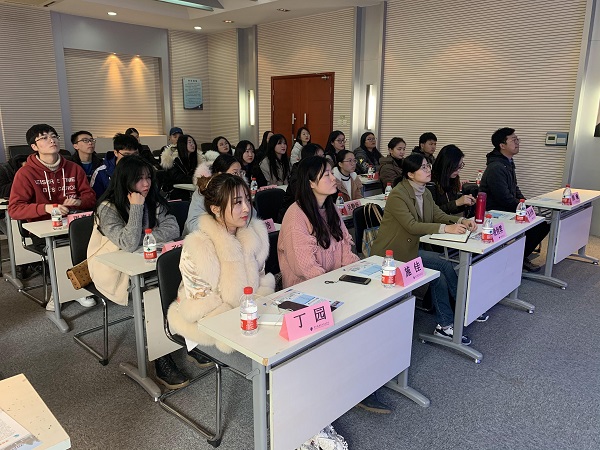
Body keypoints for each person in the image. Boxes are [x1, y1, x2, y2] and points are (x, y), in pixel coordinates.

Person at [278, 155, 391, 418]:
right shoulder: (296, 215)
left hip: (332, 284)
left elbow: (344, 251)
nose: (333, 178)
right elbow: (306, 269)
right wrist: (338, 290)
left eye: (331, 172)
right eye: (326, 174)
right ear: (310, 183)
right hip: (304, 293)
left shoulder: (330, 208)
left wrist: (359, 272)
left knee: (369, 308)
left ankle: (360, 379)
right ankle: (347, 385)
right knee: (349, 322)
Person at [87, 155, 197, 389]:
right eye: (139, 179)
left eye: (148, 178)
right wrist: (136, 208)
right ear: (125, 180)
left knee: (186, 282)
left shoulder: (152, 198)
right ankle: (161, 357)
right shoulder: (108, 208)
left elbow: (172, 227)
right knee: (155, 295)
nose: (146, 184)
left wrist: (145, 238)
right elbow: (127, 243)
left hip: (146, 263)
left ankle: (189, 340)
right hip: (115, 272)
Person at [371, 154, 478, 344]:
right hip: (392, 254)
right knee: (442, 268)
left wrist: (461, 220)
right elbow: (411, 225)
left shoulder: (425, 192)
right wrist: (446, 228)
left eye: (428, 166)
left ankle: (460, 313)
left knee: (442, 270)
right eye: (423, 167)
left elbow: (438, 214)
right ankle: (452, 319)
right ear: (410, 174)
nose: (428, 170)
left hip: (411, 248)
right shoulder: (398, 194)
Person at [167, 172, 275, 353]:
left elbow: (260, 280)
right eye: (238, 203)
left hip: (248, 311)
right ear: (215, 209)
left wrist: (256, 309)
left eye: (247, 200)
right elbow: (203, 308)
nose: (247, 208)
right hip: (208, 322)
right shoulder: (198, 246)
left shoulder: (254, 233)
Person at [9, 124, 97, 311]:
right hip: (43, 228)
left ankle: (80, 288)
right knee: (58, 250)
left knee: (91, 244)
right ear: (34, 146)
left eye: (54, 136)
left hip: (73, 224)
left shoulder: (73, 168)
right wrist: (46, 208)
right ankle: (60, 293)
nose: (52, 140)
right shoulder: (25, 173)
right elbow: (15, 209)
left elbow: (90, 198)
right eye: (44, 138)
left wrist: (79, 202)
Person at [480, 127, 550, 272]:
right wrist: (522, 207)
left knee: (541, 222)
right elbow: (504, 198)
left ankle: (519, 256)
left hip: (507, 207)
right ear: (502, 145)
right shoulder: (496, 167)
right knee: (537, 225)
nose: (517, 142)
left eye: (517, 139)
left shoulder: (507, 162)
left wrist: (525, 203)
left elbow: (514, 188)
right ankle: (517, 258)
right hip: (495, 212)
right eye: (513, 140)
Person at [184, 154, 243, 236]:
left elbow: (251, 216)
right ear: (220, 174)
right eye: (235, 172)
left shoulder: (241, 190)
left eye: (241, 172)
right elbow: (192, 224)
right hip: (204, 238)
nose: (240, 177)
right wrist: (224, 230)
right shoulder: (203, 192)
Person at [277, 143, 324, 222]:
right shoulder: (298, 174)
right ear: (309, 158)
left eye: (323, 156)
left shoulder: (322, 172)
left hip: (312, 214)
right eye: (318, 157)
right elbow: (303, 197)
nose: (322, 160)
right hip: (292, 216)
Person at [428, 144, 475, 215]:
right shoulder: (430, 183)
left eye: (460, 166)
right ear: (446, 166)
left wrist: (465, 203)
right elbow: (432, 214)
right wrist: (457, 203)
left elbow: (452, 209)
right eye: (456, 167)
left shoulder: (453, 178)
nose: (458, 170)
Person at [90, 133, 139, 198]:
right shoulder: (101, 172)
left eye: (134, 155)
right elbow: (96, 199)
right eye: (126, 155)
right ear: (116, 153)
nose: (131, 158)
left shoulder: (143, 169)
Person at [160, 134, 199, 200]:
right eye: (189, 142)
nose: (193, 145)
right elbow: (178, 177)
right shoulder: (173, 159)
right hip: (174, 191)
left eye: (193, 142)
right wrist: (195, 179)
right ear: (182, 144)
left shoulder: (194, 159)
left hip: (188, 189)